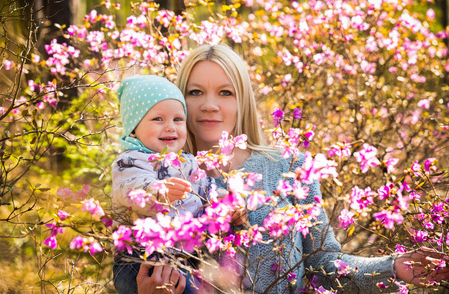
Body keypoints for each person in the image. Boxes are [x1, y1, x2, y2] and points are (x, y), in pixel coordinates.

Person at [137, 44, 449, 293]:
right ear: (179, 98)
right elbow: (129, 269)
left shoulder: (289, 166)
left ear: (242, 99)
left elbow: (323, 262)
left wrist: (392, 268)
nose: (209, 105)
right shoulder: (152, 176)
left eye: (225, 92)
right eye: (195, 92)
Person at [111, 75, 212, 294]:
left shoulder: (188, 162)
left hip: (183, 257)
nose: (170, 127)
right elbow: (132, 187)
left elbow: (206, 190)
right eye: (158, 119)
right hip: (138, 260)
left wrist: (224, 202)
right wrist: (157, 192)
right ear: (133, 129)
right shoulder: (130, 160)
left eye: (178, 119)